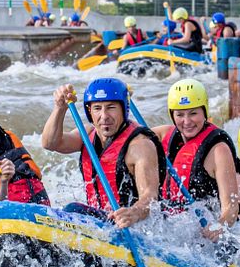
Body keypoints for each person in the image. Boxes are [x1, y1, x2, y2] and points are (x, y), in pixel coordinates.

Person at [41, 78, 166, 228]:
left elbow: (150, 197)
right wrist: (59, 108)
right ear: (89, 112)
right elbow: (50, 143)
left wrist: (134, 212)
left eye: (111, 107)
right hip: (102, 221)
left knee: (73, 210)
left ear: (124, 109)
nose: (104, 116)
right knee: (67, 213)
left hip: (133, 227)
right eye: (97, 108)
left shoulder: (140, 145)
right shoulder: (87, 134)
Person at [150, 79, 240, 241]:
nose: (187, 122)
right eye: (180, 114)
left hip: (213, 235)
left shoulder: (218, 151)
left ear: (205, 112)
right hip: (176, 228)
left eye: (193, 113)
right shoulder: (165, 134)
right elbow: (133, 137)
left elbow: (231, 208)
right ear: (172, 115)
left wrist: (219, 226)